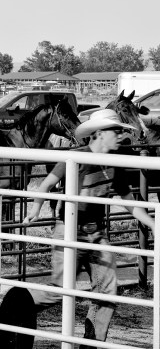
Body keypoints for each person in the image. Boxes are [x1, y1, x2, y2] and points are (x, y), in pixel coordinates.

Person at [21, 109, 134, 347]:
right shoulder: (77, 157)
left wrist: (153, 222)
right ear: (100, 133)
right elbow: (47, 183)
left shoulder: (117, 160)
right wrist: (34, 210)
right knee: (58, 291)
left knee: (107, 291)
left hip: (97, 232)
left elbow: (129, 200)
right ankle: (13, 305)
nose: (121, 136)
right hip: (70, 228)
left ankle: (92, 343)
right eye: (117, 131)